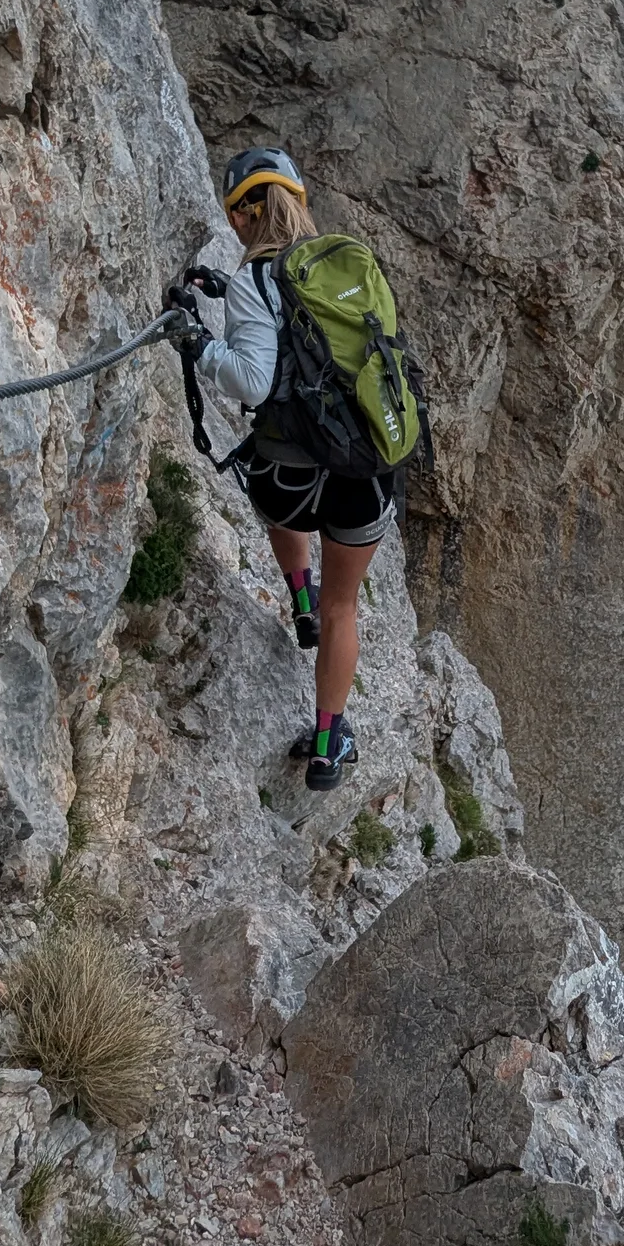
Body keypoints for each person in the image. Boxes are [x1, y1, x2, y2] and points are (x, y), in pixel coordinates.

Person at [179, 148, 403, 791]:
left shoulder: (257, 279)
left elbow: (253, 381)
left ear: (247, 215)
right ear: (298, 203)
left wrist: (198, 343)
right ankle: (329, 746)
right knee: (345, 610)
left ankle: (297, 596)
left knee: (261, 472)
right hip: (364, 474)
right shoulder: (346, 265)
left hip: (291, 487)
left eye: (235, 218)